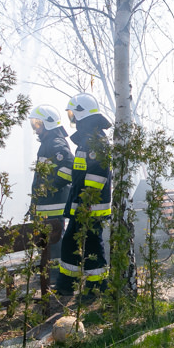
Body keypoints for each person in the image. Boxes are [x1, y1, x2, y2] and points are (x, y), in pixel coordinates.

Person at [54, 93, 112, 297]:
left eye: (72, 114)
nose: (71, 119)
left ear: (82, 114)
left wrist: (87, 202)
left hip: (89, 207)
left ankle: (95, 288)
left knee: (91, 245)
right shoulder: (87, 140)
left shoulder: (95, 141)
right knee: (73, 242)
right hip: (82, 204)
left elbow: (97, 175)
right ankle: (68, 286)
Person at [28, 104, 73, 263]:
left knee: (53, 240)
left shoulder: (56, 143)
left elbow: (69, 168)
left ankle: (54, 275)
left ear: (48, 123)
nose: (35, 128)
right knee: (47, 241)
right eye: (34, 123)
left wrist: (50, 188)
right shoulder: (48, 143)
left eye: (37, 123)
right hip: (46, 203)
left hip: (53, 204)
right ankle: (48, 273)